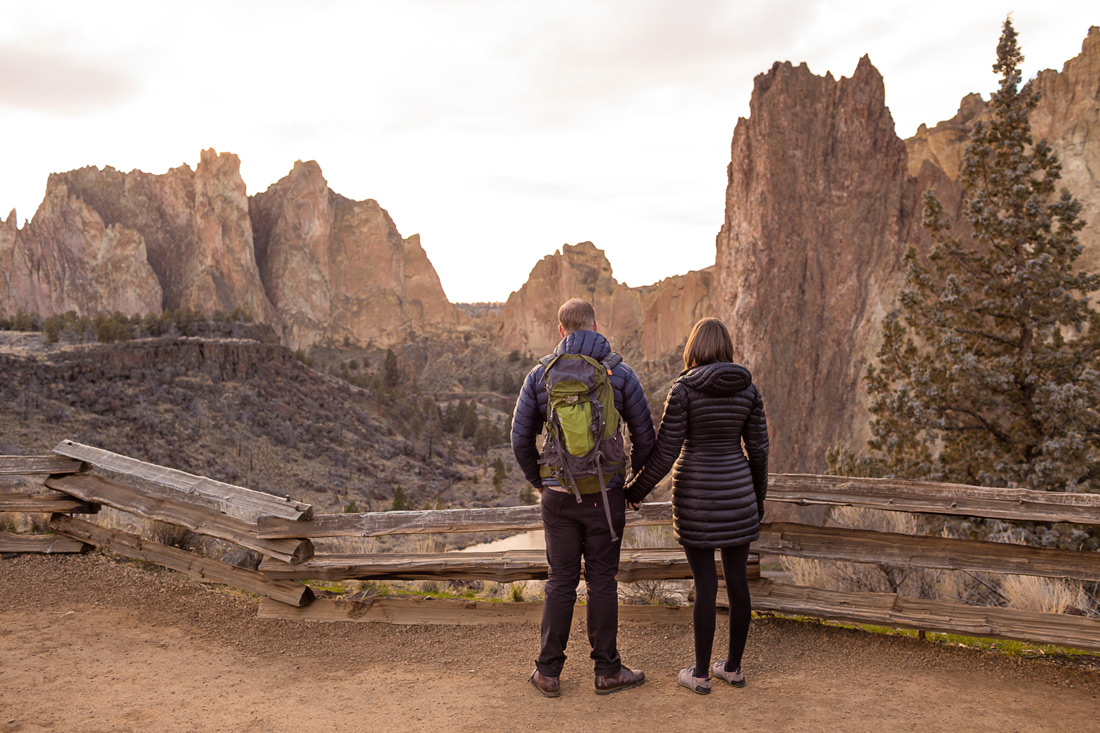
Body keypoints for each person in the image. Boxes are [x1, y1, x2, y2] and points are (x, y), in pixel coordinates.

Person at [511, 298, 655, 697]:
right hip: (606, 497)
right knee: (602, 581)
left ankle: (547, 672)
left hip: (557, 495)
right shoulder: (620, 374)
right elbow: (646, 439)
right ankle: (607, 671)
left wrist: (540, 482)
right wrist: (631, 488)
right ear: (596, 325)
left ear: (562, 331)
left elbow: (520, 438)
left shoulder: (540, 376)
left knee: (560, 581)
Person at [624, 317, 768, 695]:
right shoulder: (749, 389)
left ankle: (701, 675)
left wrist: (634, 490)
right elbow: (759, 452)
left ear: (693, 348)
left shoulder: (684, 390)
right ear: (726, 348)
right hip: (739, 496)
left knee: (705, 585)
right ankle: (733, 668)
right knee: (737, 583)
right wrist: (757, 499)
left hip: (695, 498)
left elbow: (666, 452)